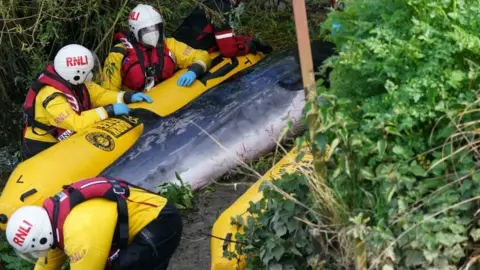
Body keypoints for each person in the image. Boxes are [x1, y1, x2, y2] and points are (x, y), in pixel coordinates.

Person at [5, 176, 182, 270]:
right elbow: (50, 261)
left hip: (159, 223)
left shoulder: (78, 233)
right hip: (148, 222)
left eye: (34, 250)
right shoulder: (54, 222)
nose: (37, 254)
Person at [22, 44, 153, 160]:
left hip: (64, 138)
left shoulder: (77, 82)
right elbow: (76, 122)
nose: (92, 74)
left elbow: (100, 95)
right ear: (76, 73)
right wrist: (108, 111)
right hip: (42, 145)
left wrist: (127, 97)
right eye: (89, 71)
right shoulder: (52, 97)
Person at [101, 4, 212, 92]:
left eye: (156, 28)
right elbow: (108, 91)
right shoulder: (118, 55)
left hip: (167, 95)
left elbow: (201, 55)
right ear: (135, 31)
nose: (153, 33)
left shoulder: (169, 44)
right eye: (147, 30)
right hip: (135, 103)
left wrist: (194, 71)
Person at [172, 0, 273, 58]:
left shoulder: (215, 3)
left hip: (180, 47)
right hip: (186, 55)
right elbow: (229, 50)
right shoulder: (222, 9)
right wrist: (247, 47)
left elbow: (220, 35)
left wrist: (249, 40)